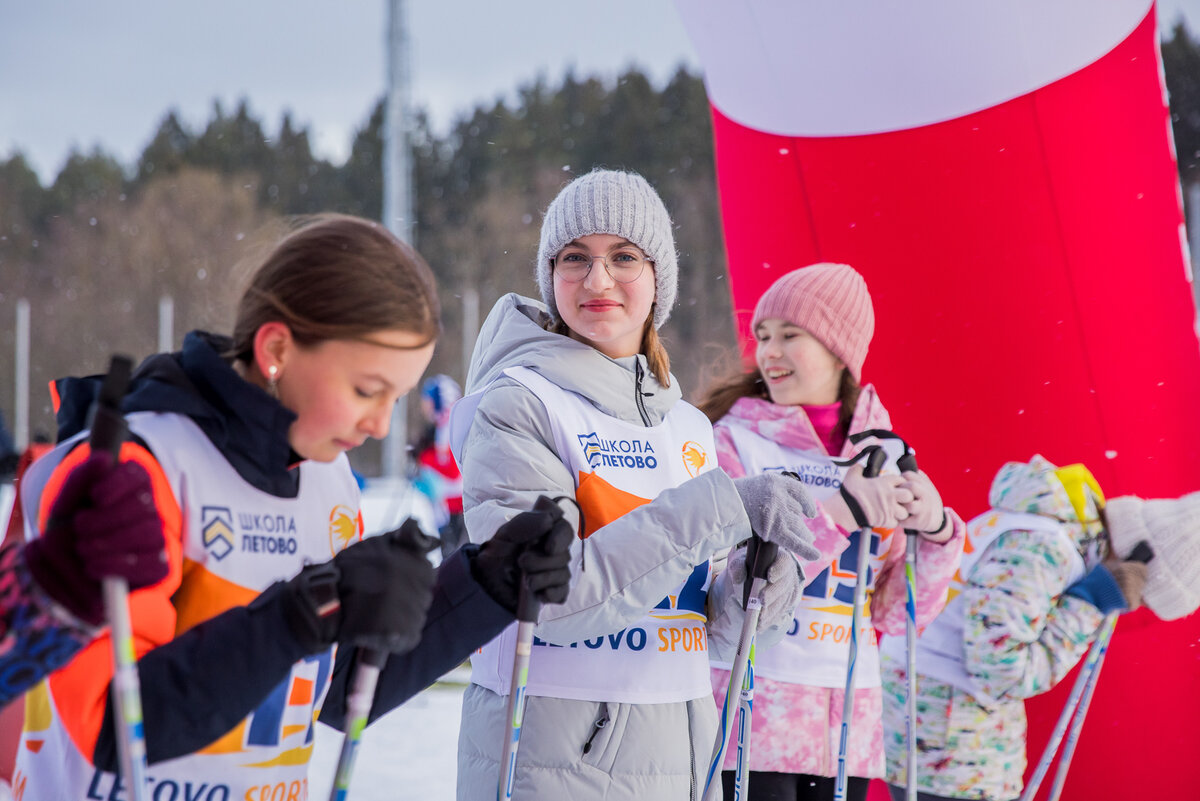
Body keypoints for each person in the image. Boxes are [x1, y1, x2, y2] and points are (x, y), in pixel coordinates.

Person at [11, 213, 573, 801]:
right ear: (277, 348)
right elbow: (112, 723)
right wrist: (305, 612)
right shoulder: (142, 464)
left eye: (397, 398)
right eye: (365, 389)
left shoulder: (327, 479)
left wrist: (487, 584)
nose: (381, 424)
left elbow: (331, 686)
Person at [449, 169, 821, 801]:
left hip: (681, 757)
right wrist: (723, 507)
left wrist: (754, 591)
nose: (598, 281)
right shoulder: (518, 405)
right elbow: (556, 603)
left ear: (657, 279)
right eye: (575, 259)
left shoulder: (687, 426)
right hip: (553, 759)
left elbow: (697, 623)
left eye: (623, 256)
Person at [697, 263, 967, 801]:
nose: (769, 352)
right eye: (763, 337)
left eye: (789, 336)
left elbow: (895, 613)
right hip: (750, 711)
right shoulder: (733, 442)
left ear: (839, 349)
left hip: (848, 717)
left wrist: (936, 532)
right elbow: (725, 583)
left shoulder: (883, 453)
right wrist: (835, 515)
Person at [879, 456, 1148, 801]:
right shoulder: (1040, 546)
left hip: (935, 732)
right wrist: (1089, 603)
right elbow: (1001, 671)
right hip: (950, 747)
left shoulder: (1028, 523)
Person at [412, 374, 466, 560]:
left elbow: (453, 473)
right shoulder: (442, 426)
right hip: (450, 507)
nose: (424, 407)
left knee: (454, 557)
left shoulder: (447, 425)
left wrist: (424, 456)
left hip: (457, 509)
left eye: (427, 401)